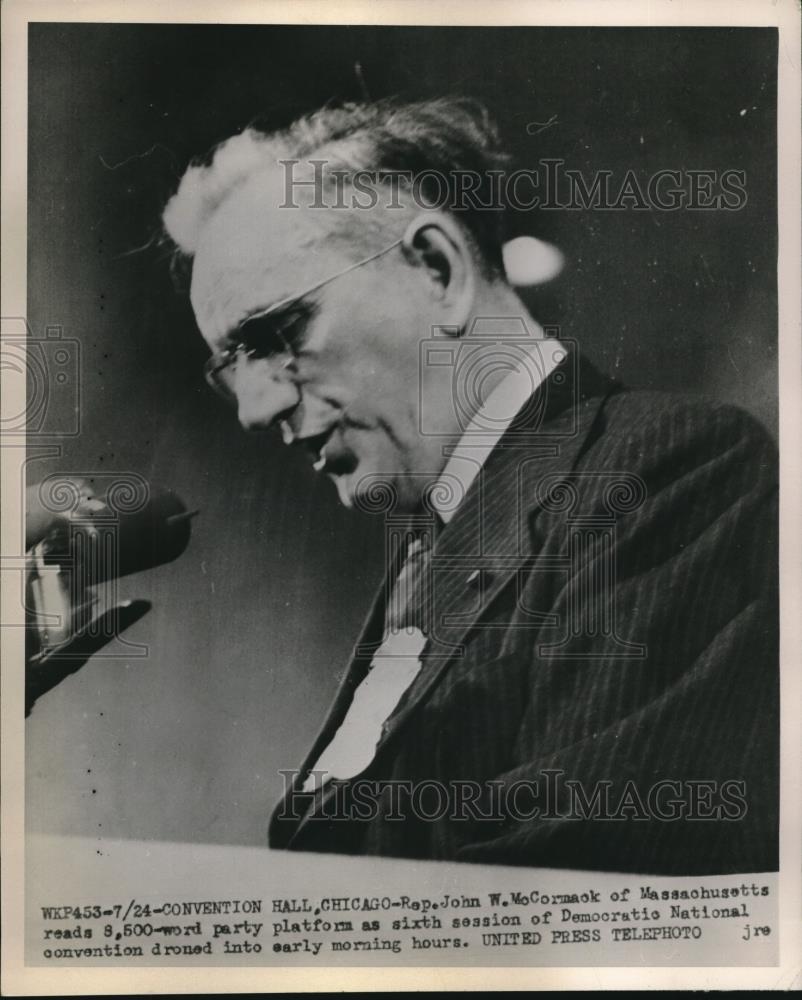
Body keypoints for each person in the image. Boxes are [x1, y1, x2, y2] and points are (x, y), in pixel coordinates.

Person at [161, 98, 778, 873]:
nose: (257, 409)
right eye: (230, 370)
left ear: (439, 271)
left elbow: (574, 886)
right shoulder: (436, 550)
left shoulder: (675, 469)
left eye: (276, 334)